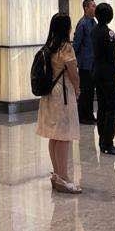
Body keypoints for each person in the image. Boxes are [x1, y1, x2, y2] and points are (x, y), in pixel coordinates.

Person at [36, 13, 82, 193]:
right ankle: (63, 177)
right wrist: (77, 88)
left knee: (55, 135)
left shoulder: (49, 45)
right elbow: (73, 73)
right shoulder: (66, 47)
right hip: (62, 93)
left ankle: (57, 174)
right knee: (63, 135)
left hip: (49, 93)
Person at [92, 2, 115, 155]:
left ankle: (102, 140)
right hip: (107, 73)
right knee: (114, 106)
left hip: (96, 71)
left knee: (103, 106)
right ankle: (108, 142)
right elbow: (112, 55)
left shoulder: (94, 30)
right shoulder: (108, 33)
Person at [72, 0, 97, 124]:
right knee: (85, 91)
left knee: (91, 91)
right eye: (93, 6)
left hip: (93, 63)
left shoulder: (94, 22)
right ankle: (82, 116)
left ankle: (90, 114)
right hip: (85, 63)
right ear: (86, 8)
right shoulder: (82, 24)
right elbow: (76, 44)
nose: (95, 8)